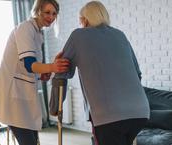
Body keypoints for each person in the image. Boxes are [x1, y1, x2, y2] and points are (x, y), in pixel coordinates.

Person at [50, 1, 150, 145]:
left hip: (108, 116)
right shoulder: (120, 34)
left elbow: (61, 71)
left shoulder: (78, 35)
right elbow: (137, 73)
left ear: (84, 20)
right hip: (140, 112)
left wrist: (54, 108)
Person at [0, 0, 69, 145]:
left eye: (54, 14)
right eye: (47, 12)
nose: (51, 17)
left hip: (22, 92)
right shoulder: (25, 28)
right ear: (37, 11)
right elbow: (29, 64)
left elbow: (31, 68)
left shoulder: (38, 33)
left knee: (33, 140)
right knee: (28, 141)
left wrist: (42, 74)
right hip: (11, 94)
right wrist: (52, 67)